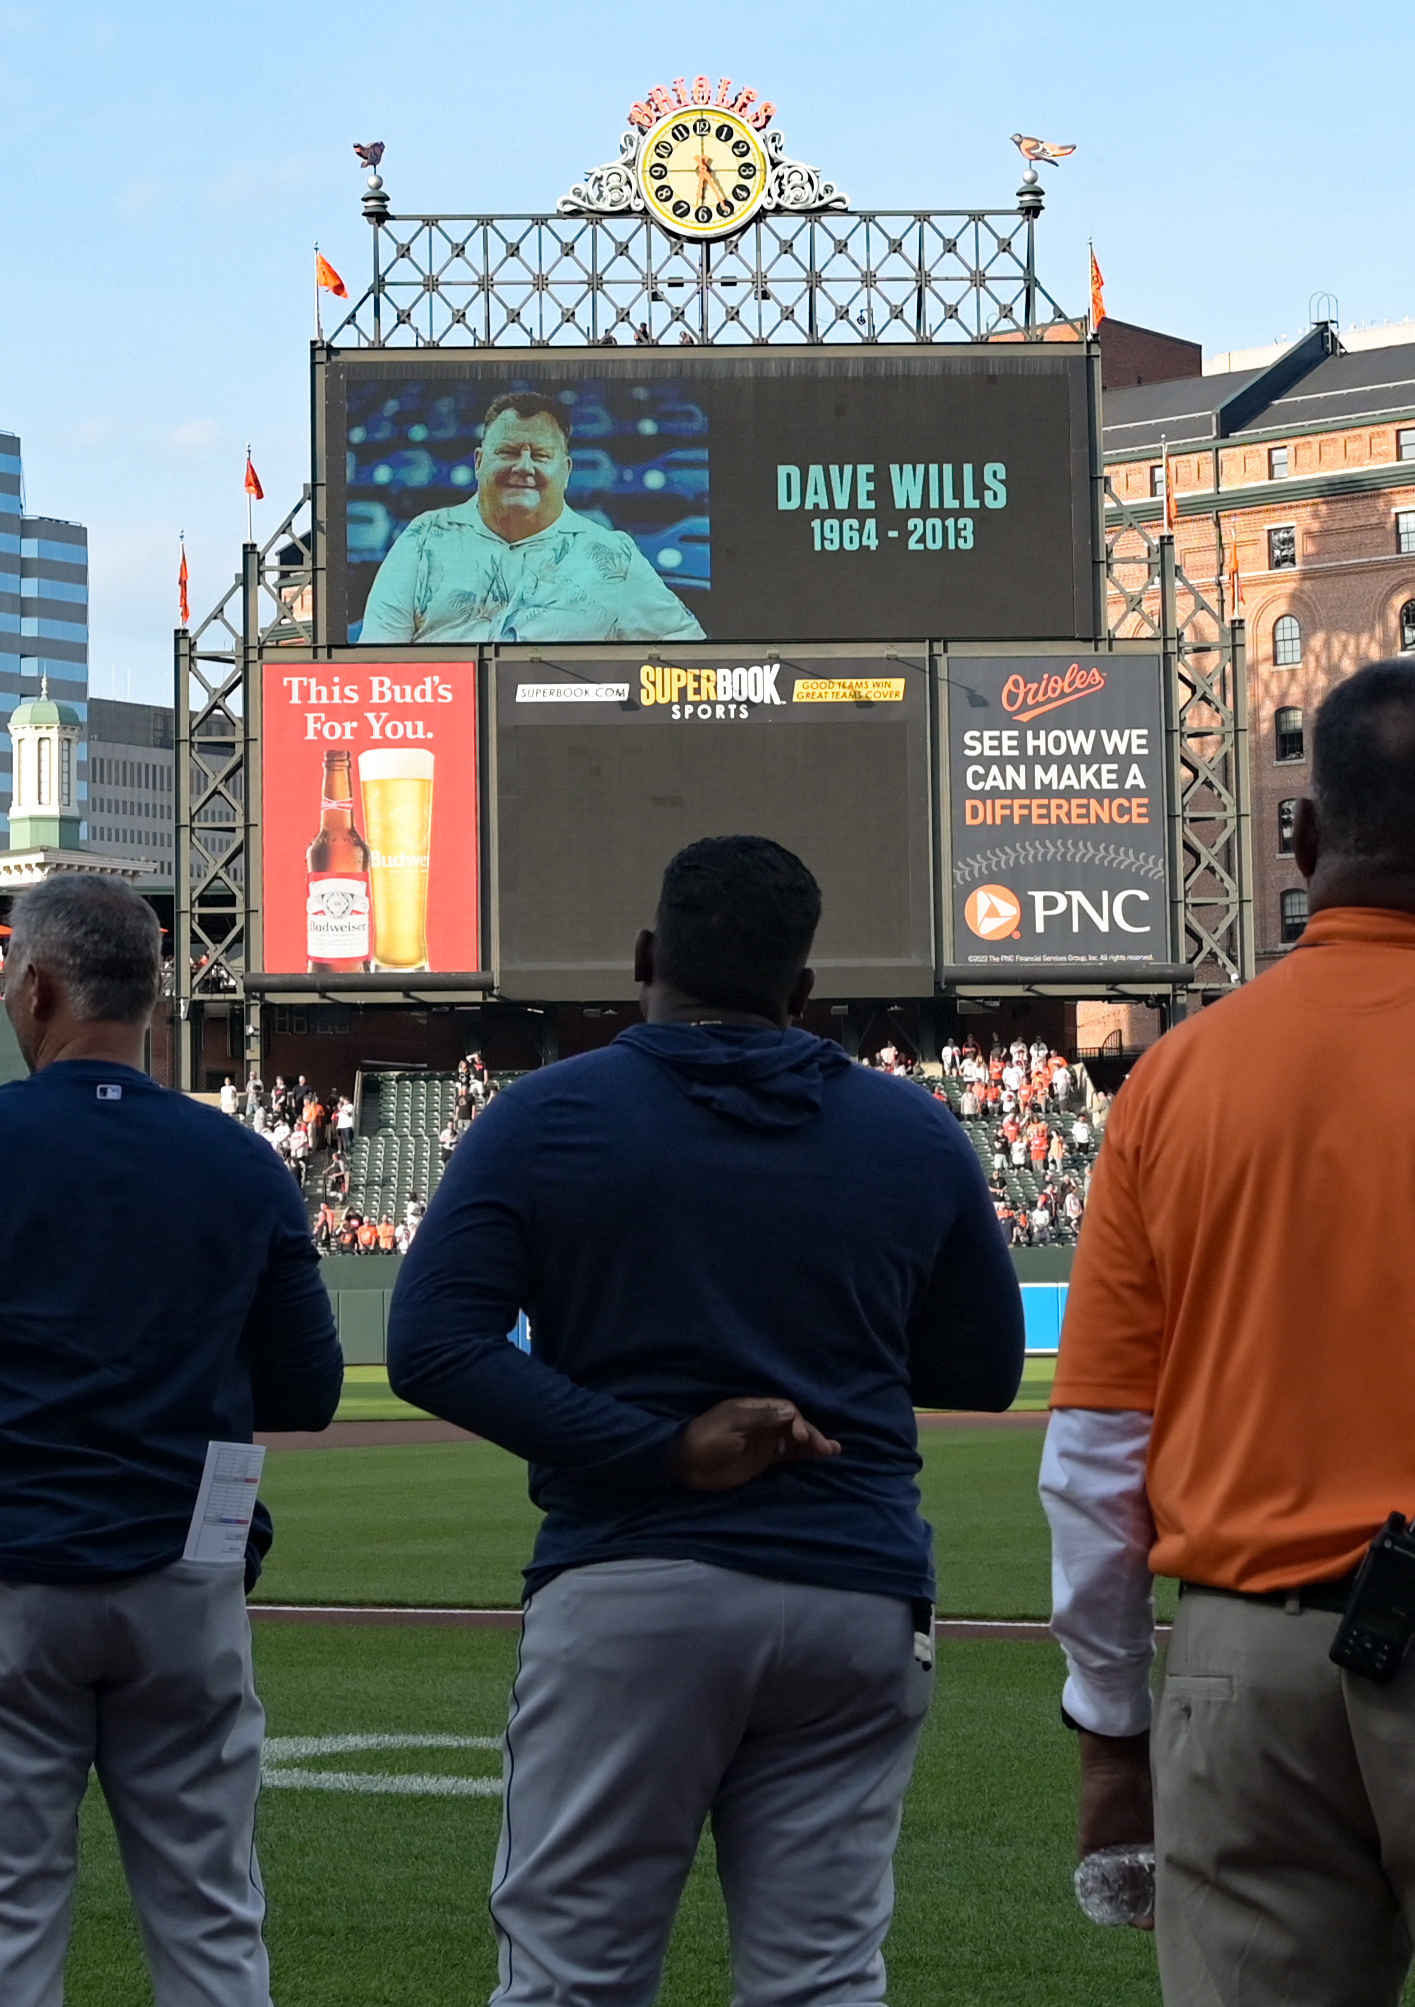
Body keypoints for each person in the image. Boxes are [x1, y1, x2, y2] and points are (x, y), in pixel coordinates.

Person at [388, 836, 1022, 2004]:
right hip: (853, 1592)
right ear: (801, 994)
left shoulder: (545, 1115)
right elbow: (984, 1369)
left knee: (573, 1980)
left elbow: (434, 1347)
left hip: (634, 1583)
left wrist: (662, 1447)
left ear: (644, 960)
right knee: (822, 1981)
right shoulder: (913, 1130)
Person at [0, 873, 346, 2007]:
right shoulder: (239, 1159)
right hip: (182, 1578)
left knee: (4, 1954)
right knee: (211, 1938)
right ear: (152, 998)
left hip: (2, 1578)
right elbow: (309, 1388)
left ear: (42, 990)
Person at [1045, 658, 1415, 2000]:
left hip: (1254, 1659)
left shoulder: (1179, 1075)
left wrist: (1109, 1730)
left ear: (1305, 841)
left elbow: (1093, 1452)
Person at [355, 391, 705, 645]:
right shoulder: (425, 537)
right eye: (507, 452)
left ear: (566, 470)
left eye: (540, 455)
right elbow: (378, 657)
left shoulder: (612, 554)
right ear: (478, 462)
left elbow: (687, 652)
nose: (523, 467)